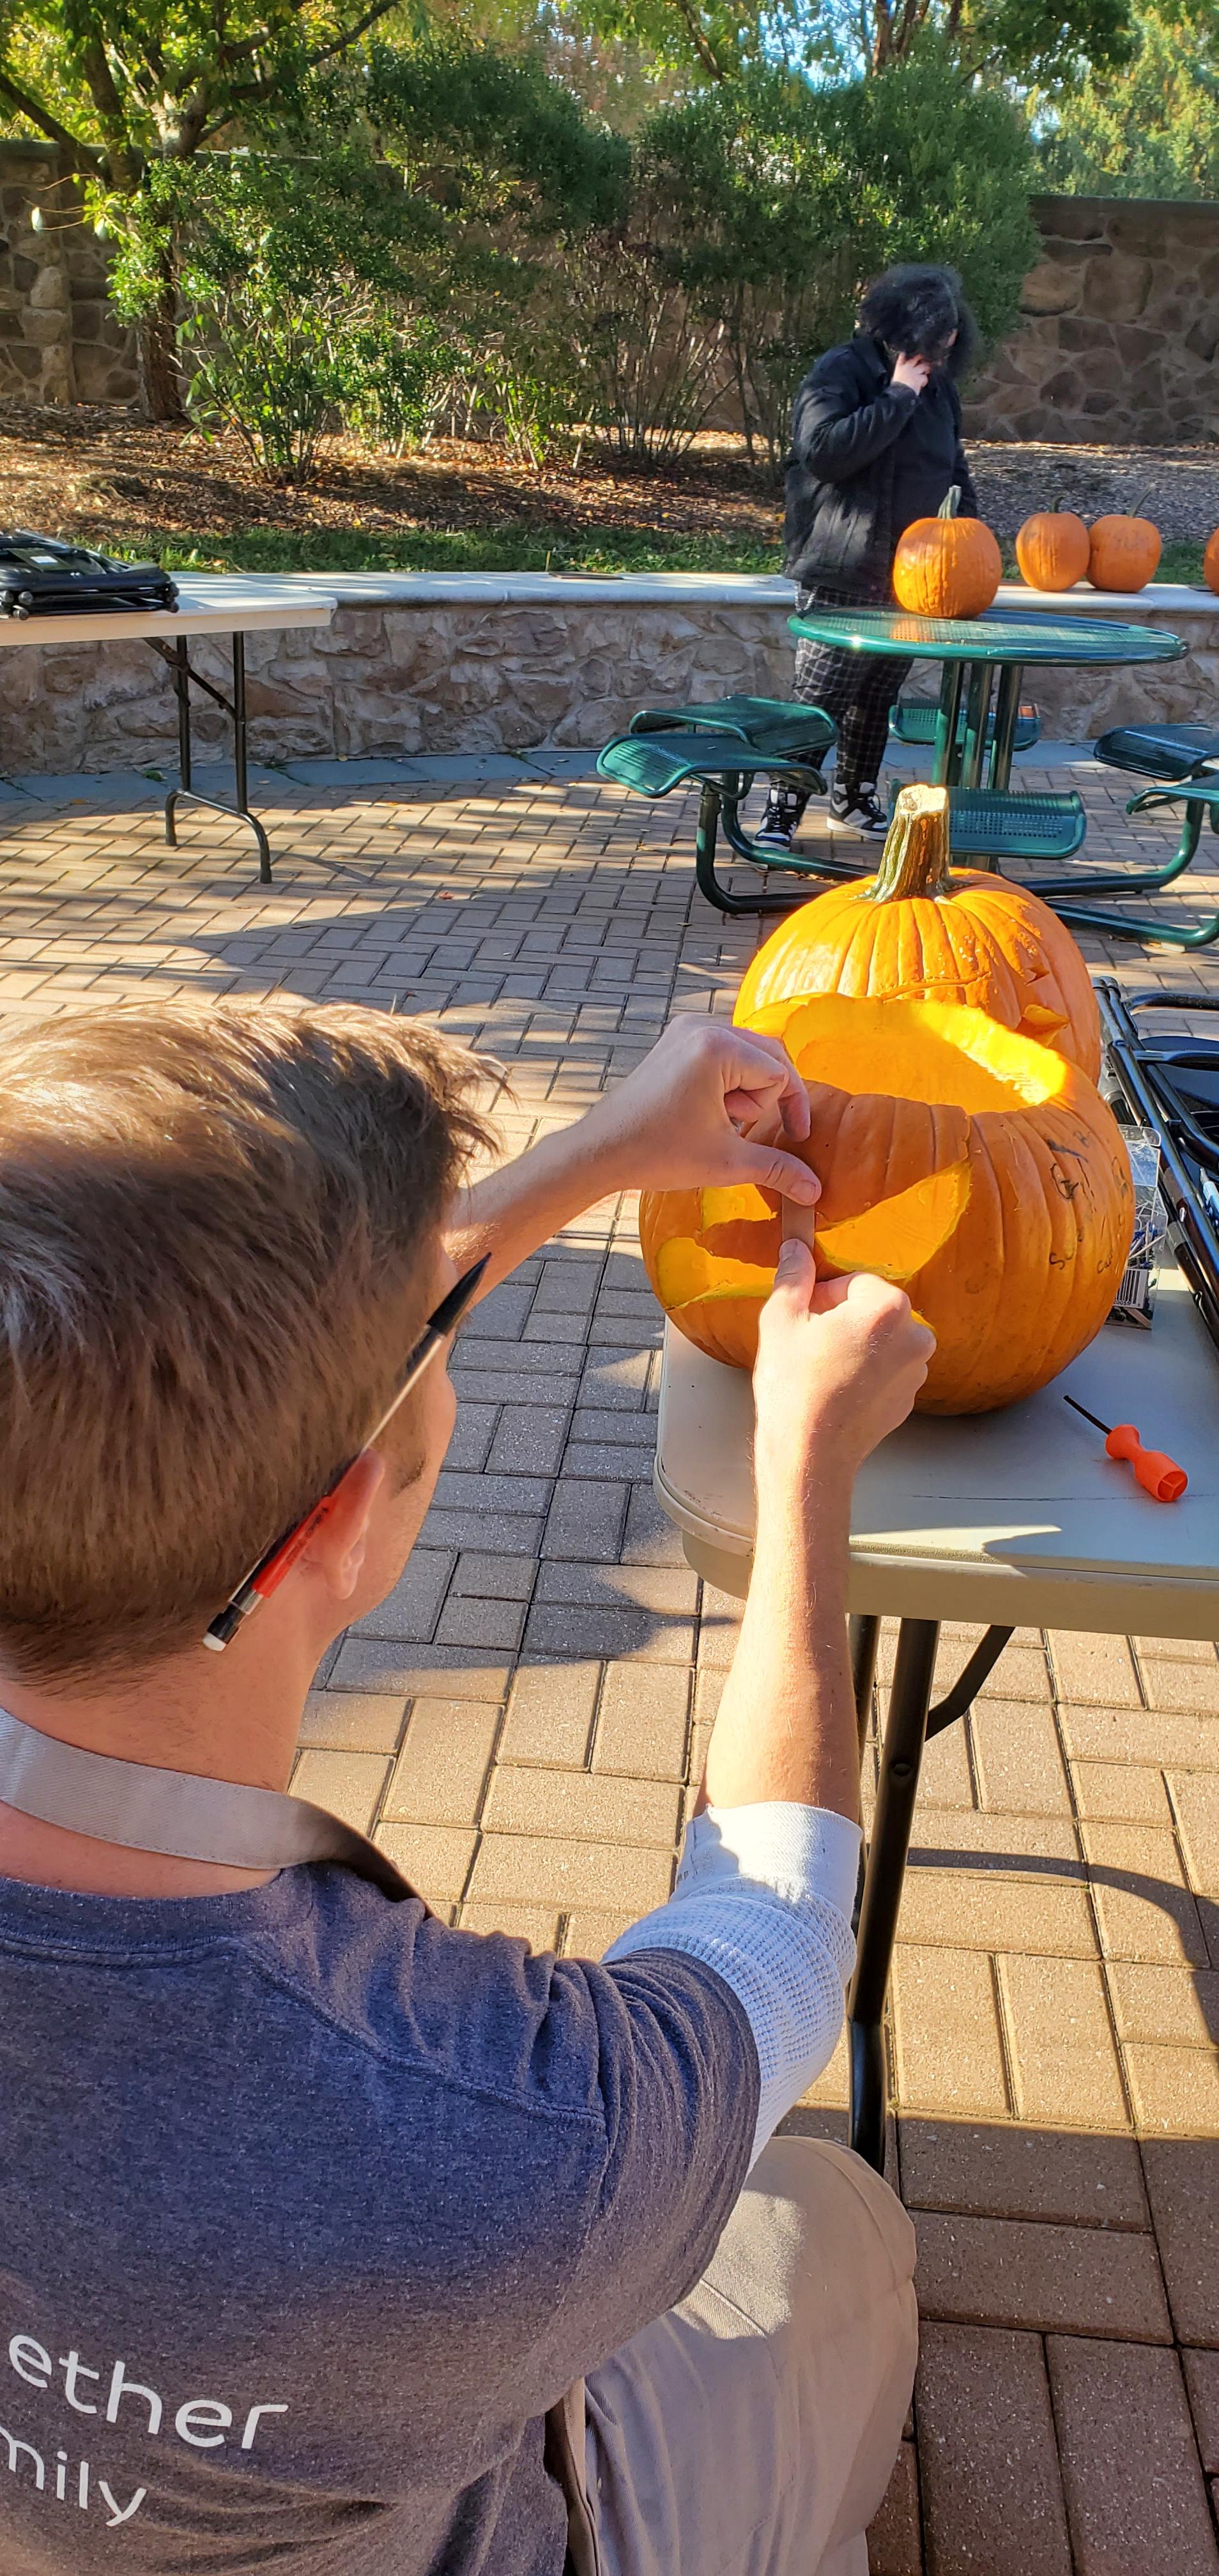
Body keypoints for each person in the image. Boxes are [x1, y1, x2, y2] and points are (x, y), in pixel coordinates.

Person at [0, 994, 932, 2576]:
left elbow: (208, 1381)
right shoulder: (504, 2139)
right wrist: (803, 1474)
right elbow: (775, 1935)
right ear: (345, 1520)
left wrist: (599, 1155)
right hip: (522, 2465)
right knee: (833, 2231)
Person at [758, 261, 979, 848]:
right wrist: (898, 395)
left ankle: (853, 799)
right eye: (937, 334)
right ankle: (782, 807)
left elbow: (952, 469)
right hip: (842, 564)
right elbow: (825, 453)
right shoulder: (843, 371)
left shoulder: (942, 391)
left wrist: (971, 539)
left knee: (877, 693)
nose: (947, 345)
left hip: (912, 574)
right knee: (821, 694)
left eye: (952, 334)